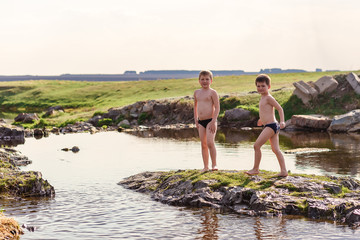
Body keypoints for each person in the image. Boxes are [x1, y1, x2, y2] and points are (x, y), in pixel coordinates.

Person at [246, 74, 288, 177]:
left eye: (263, 86)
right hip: (270, 125)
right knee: (275, 150)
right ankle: (284, 171)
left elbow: (279, 108)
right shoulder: (262, 98)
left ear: (268, 87)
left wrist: (282, 121)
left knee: (256, 146)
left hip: (271, 126)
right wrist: (261, 120)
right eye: (258, 86)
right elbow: (267, 111)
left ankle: (255, 169)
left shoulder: (269, 98)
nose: (260, 88)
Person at [194, 70, 220, 172]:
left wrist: (214, 121)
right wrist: (196, 120)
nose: (205, 81)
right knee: (203, 144)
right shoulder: (197, 92)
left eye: (207, 79)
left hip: (210, 121)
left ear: (211, 81)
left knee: (210, 142)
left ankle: (214, 164)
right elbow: (195, 107)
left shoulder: (213, 92)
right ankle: (205, 166)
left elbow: (217, 107)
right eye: (202, 79)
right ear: (199, 81)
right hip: (201, 122)